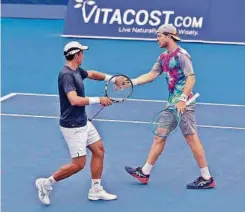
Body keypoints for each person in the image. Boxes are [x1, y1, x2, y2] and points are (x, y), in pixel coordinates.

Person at [124, 24, 216, 189]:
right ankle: (144, 173)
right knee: (160, 136)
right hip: (171, 103)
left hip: (184, 104)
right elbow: (151, 75)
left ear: (169, 36)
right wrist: (132, 82)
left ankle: (207, 177)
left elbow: (191, 78)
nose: (157, 39)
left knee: (191, 138)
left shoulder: (182, 55)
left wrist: (182, 99)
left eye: (159, 35)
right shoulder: (163, 57)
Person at [35, 41, 120, 205]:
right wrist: (98, 99)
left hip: (83, 122)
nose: (83, 55)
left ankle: (96, 190)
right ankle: (45, 183)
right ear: (76, 55)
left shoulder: (76, 71)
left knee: (99, 150)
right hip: (73, 126)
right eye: (82, 53)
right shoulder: (66, 75)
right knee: (78, 164)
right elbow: (73, 100)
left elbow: (93, 74)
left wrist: (112, 79)